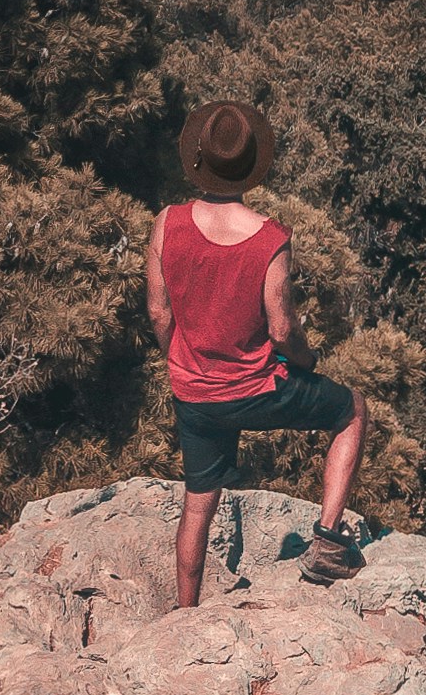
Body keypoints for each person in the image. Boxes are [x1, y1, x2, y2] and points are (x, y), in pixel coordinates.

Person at [146, 100, 366, 605]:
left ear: (199, 160)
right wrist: (306, 362)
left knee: (198, 504)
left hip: (194, 393)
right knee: (352, 410)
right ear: (250, 168)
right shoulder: (269, 239)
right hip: (258, 389)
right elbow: (283, 328)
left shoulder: (167, 224)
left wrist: (181, 359)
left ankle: (186, 612)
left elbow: (160, 314)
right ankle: (329, 545)